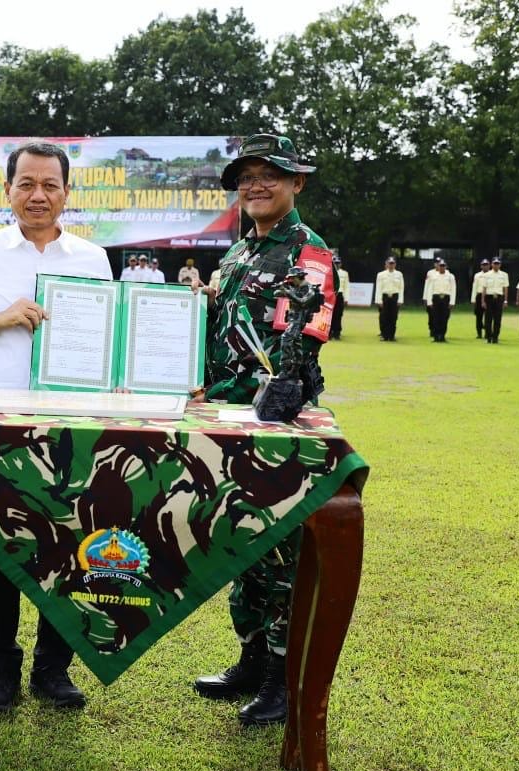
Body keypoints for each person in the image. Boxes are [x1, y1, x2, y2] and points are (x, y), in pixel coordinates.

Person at [0, 140, 110, 714]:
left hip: (73, 428)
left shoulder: (92, 259)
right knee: (0, 553)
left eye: (50, 185)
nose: (38, 195)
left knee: (72, 548)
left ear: (67, 192)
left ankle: (53, 670)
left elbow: (110, 344)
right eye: (27, 183)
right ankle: (1, 671)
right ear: (7, 190)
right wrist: (2, 318)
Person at [186, 132, 330, 727]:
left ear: (297, 183)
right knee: (242, 542)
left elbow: (301, 342)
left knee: (279, 555)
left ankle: (280, 679)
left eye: (270, 174)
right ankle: (250, 660)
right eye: (247, 177)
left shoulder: (308, 252)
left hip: (271, 426)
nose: (256, 185)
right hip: (225, 421)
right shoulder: (238, 253)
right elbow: (223, 330)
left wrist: (249, 399)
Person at [423, 258, 456, 342]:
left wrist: (452, 301)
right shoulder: (433, 276)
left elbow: (453, 289)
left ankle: (442, 336)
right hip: (436, 298)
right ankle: (436, 336)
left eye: (443, 266)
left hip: (446, 298)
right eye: (440, 266)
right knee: (435, 318)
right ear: (438, 266)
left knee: (444, 318)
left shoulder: (450, 276)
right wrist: (429, 301)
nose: (442, 267)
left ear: (446, 266)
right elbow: (430, 289)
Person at [375, 257, 404, 341]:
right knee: (384, 317)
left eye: (392, 263)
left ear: (395, 264)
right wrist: (379, 300)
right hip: (385, 297)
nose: (391, 265)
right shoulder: (381, 274)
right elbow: (378, 288)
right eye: (390, 263)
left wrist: (400, 300)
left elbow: (401, 288)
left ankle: (391, 336)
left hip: (394, 297)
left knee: (393, 317)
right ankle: (384, 335)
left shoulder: (399, 274)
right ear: (387, 264)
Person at [482, 257, 509, 343]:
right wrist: (483, 301)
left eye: (498, 264)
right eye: (495, 263)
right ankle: (488, 337)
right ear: (492, 264)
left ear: (500, 265)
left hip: (499, 298)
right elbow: (484, 288)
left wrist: (505, 300)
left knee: (498, 319)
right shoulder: (486, 275)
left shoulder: (504, 275)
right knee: (488, 318)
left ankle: (495, 337)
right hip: (489, 297)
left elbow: (505, 288)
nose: (496, 265)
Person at [330, 254, 349, 340]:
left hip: (340, 295)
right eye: (335, 263)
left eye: (338, 263)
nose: (337, 265)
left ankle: (337, 333)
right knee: (330, 315)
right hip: (331, 294)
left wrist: (346, 298)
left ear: (340, 264)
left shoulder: (344, 273)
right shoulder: (329, 272)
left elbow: (346, 286)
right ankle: (329, 332)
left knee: (338, 315)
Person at [471, 259, 489, 339]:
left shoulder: (491, 274)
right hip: (479, 295)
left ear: (489, 266)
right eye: (483, 265)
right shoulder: (477, 275)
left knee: (488, 315)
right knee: (479, 316)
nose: (485, 266)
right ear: (481, 266)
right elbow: (474, 287)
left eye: (486, 265)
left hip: (488, 296)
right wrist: (473, 299)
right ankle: (479, 333)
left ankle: (487, 333)